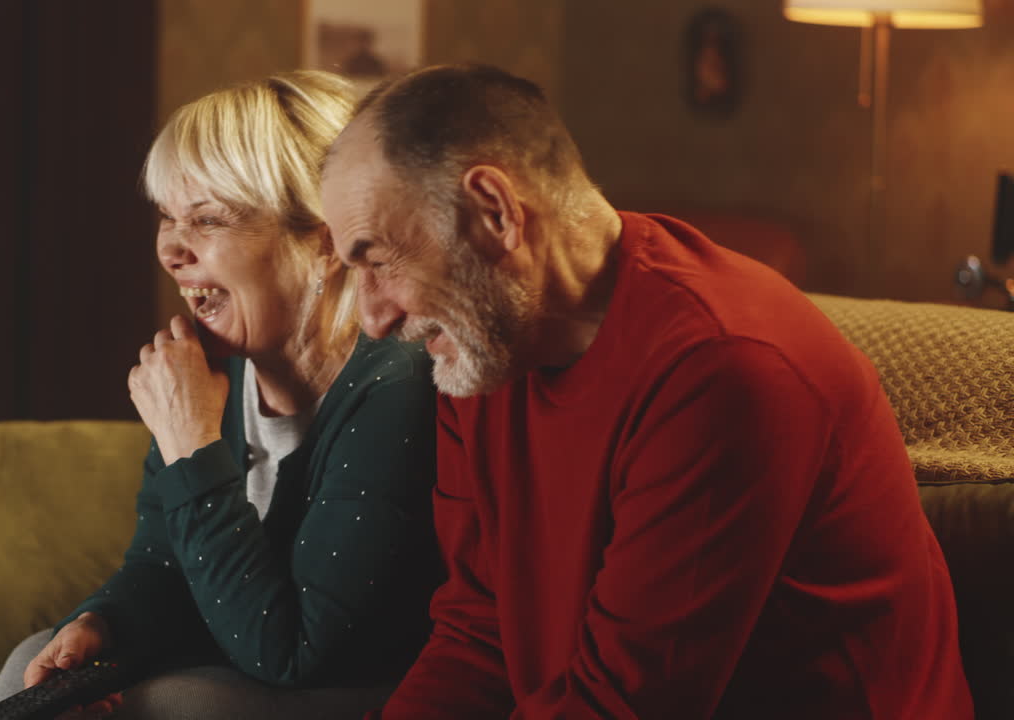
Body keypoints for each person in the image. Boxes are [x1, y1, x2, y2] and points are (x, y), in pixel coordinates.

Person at [320, 63, 972, 719]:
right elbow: (476, 632)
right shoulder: (482, 347)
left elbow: (625, 705)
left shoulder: (724, 368)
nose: (373, 318)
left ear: (495, 212)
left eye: (379, 260)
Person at [0, 70, 440, 718]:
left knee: (178, 705)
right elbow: (161, 565)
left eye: (206, 220)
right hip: (247, 650)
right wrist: (102, 621)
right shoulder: (213, 378)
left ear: (323, 241)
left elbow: (296, 654)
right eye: (167, 218)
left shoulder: (398, 386)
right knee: (33, 664)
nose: (171, 249)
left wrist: (191, 444)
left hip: (364, 684)